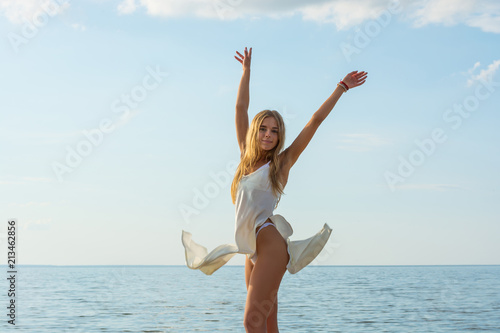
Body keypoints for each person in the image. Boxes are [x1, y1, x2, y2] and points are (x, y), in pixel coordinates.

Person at [181, 46, 367, 332]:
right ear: (256, 131)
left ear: (279, 136)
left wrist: (342, 87)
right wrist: (246, 72)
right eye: (264, 129)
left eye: (275, 130)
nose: (268, 134)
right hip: (251, 248)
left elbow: (314, 122)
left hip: (269, 243)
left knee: (251, 321)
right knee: (267, 322)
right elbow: (240, 108)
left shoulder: (281, 163)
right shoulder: (245, 157)